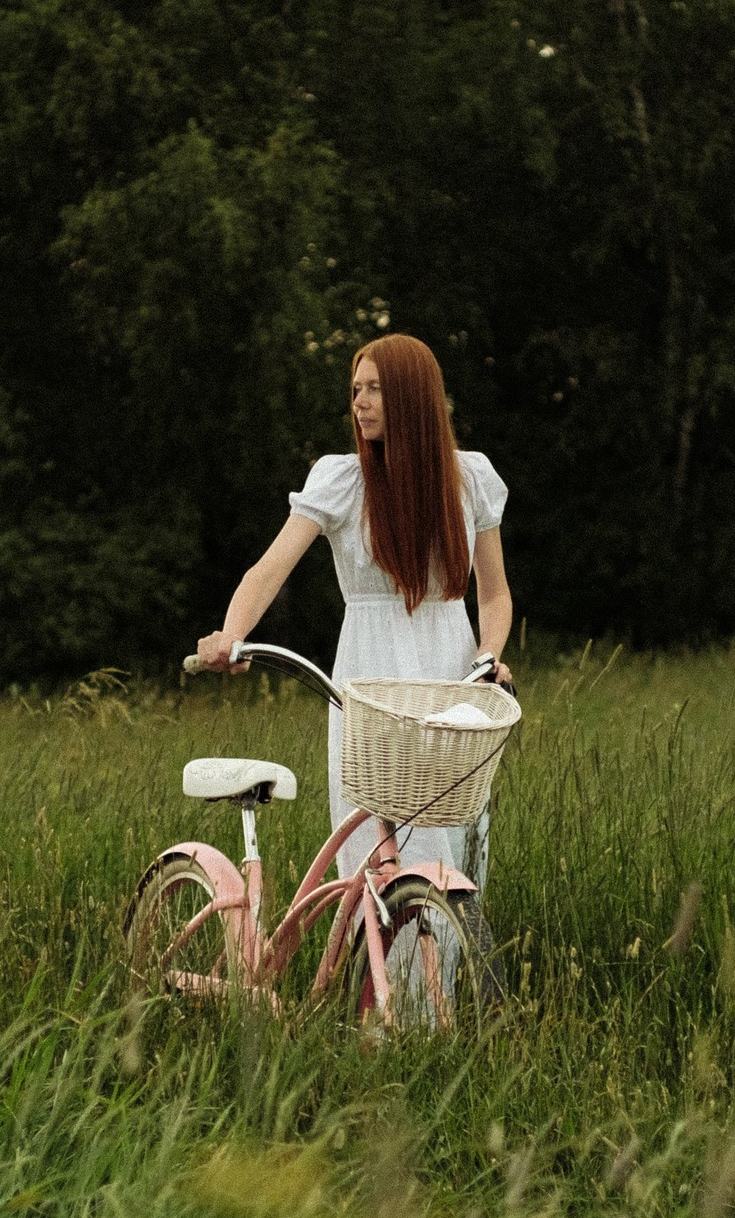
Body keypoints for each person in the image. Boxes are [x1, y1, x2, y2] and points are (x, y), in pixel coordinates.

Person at [196, 333, 513, 879]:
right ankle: (374, 963)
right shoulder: (342, 479)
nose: (358, 402)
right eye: (355, 389)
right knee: (373, 852)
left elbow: (494, 593)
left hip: (450, 675)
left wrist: (488, 658)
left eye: (374, 390)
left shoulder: (469, 480)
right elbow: (270, 568)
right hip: (367, 676)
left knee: (446, 850)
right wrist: (232, 633)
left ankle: (434, 964)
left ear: (412, 398)